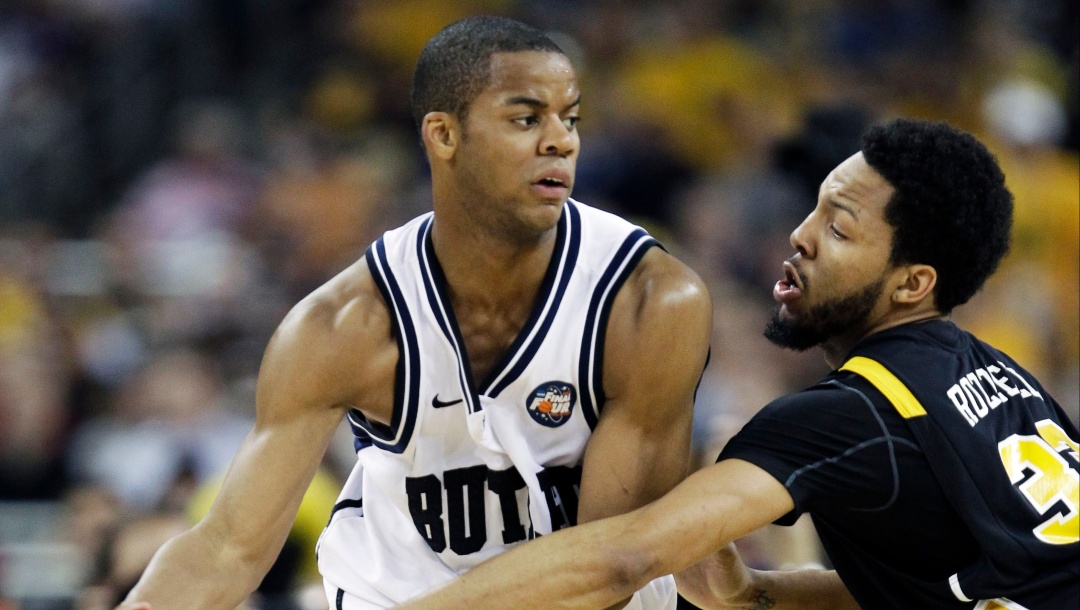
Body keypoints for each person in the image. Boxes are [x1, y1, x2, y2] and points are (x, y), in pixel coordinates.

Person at [116, 15, 712, 610]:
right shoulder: (343, 325)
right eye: (527, 118)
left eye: (571, 117)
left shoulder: (646, 300)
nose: (562, 140)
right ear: (444, 136)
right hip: (395, 590)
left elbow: (606, 567)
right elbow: (228, 549)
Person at [394, 119, 1080, 610]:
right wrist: (755, 594)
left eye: (839, 229)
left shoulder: (852, 416)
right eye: (814, 208)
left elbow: (624, 560)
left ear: (912, 284)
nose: (801, 236)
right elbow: (959, 589)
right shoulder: (1006, 380)